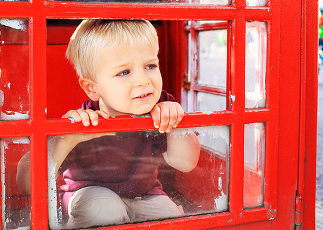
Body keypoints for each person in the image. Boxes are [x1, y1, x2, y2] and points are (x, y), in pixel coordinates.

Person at [17, 20, 200, 228]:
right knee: (104, 211)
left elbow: (186, 163)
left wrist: (177, 122)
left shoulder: (161, 107)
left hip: (144, 194)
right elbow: (26, 183)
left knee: (173, 219)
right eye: (124, 72)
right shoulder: (84, 120)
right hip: (89, 193)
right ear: (92, 88)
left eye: (150, 66)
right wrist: (65, 140)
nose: (143, 80)